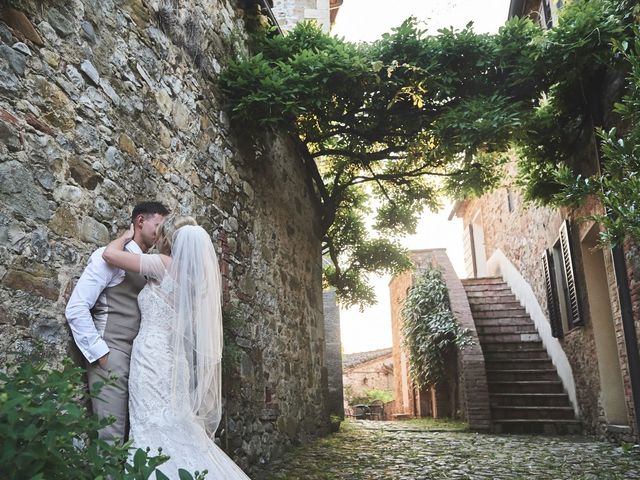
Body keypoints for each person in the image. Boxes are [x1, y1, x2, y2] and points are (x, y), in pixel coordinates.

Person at [102, 215, 251, 479]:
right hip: (176, 362)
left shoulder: (163, 264)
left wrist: (125, 237)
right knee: (175, 424)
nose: (155, 239)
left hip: (151, 356)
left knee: (150, 423)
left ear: (167, 240)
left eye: (159, 234)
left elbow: (110, 256)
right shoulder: (197, 281)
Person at [66, 201, 170, 443]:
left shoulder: (148, 265)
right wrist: (100, 353)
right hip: (111, 356)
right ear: (140, 221)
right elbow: (77, 307)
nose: (161, 233)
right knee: (110, 437)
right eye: (158, 225)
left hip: (142, 362)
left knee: (134, 436)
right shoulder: (107, 257)